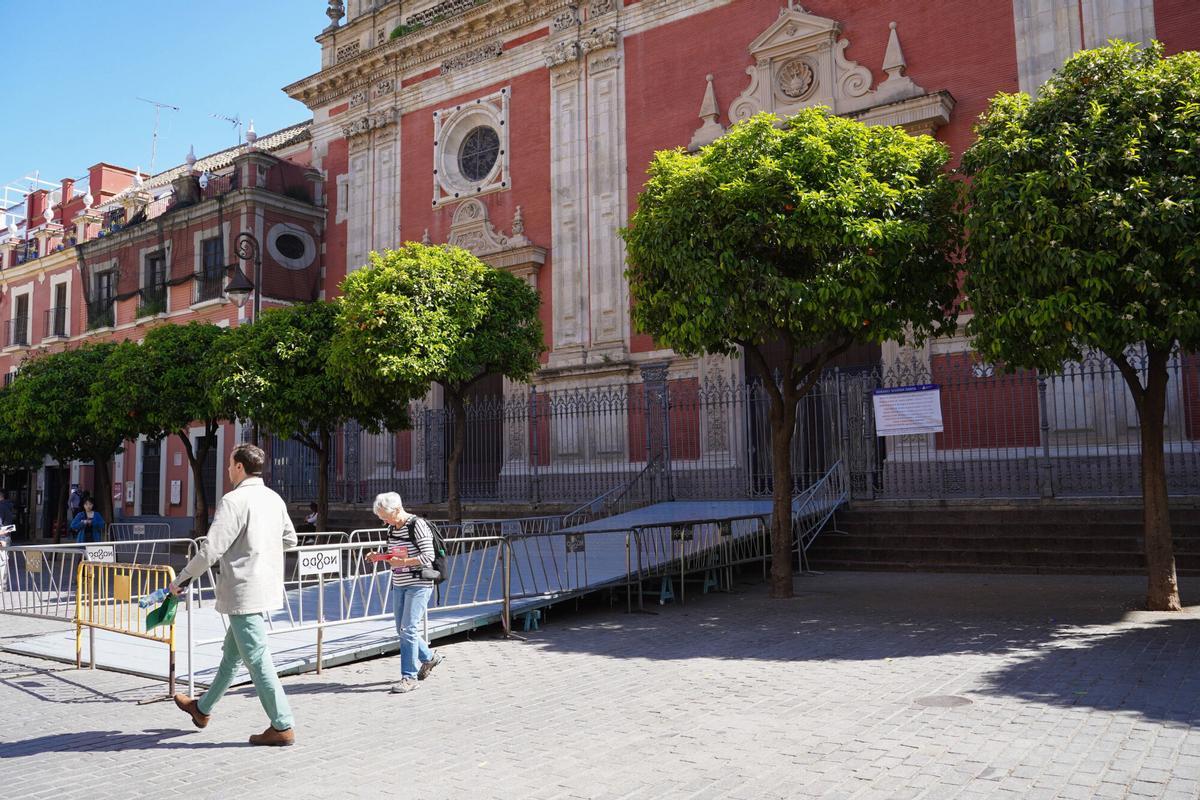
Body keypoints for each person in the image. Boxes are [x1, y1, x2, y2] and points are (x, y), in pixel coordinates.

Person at [169, 443, 298, 746]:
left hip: (243, 589)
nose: (227, 469)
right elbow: (289, 539)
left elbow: (211, 549)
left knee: (256, 657)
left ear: (240, 467)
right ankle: (202, 709)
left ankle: (282, 724)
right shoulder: (273, 498)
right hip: (265, 586)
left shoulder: (234, 500)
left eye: (229, 464)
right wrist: (260, 548)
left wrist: (183, 578)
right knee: (232, 655)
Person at [373, 491, 444, 694]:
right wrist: (379, 557)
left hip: (419, 584)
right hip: (399, 582)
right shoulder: (392, 528)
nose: (383, 520)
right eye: (381, 517)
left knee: (408, 629)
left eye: (385, 516)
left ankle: (409, 677)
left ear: (396, 510)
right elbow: (395, 553)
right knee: (402, 629)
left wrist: (403, 562)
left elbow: (428, 556)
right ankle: (430, 658)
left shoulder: (417, 525)